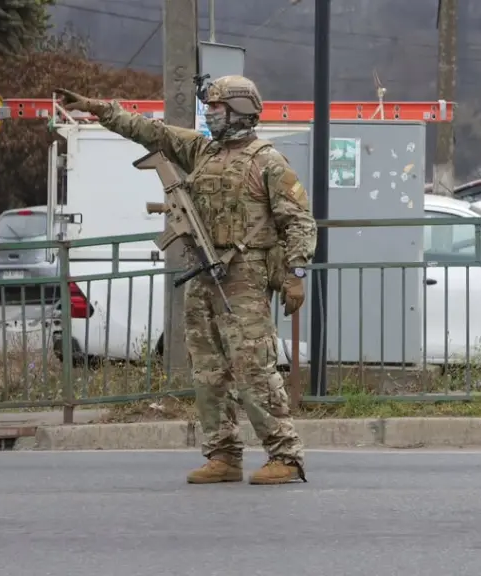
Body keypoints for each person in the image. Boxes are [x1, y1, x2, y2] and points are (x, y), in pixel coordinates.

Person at [54, 76, 317, 486]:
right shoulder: (202, 151)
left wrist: (296, 273)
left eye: (218, 107)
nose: (210, 114)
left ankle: (286, 455)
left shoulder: (267, 162)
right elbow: (149, 131)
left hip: (244, 277)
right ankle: (223, 454)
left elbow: (298, 221)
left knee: (252, 367)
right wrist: (98, 107)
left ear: (240, 110)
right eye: (210, 107)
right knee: (208, 370)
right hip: (204, 274)